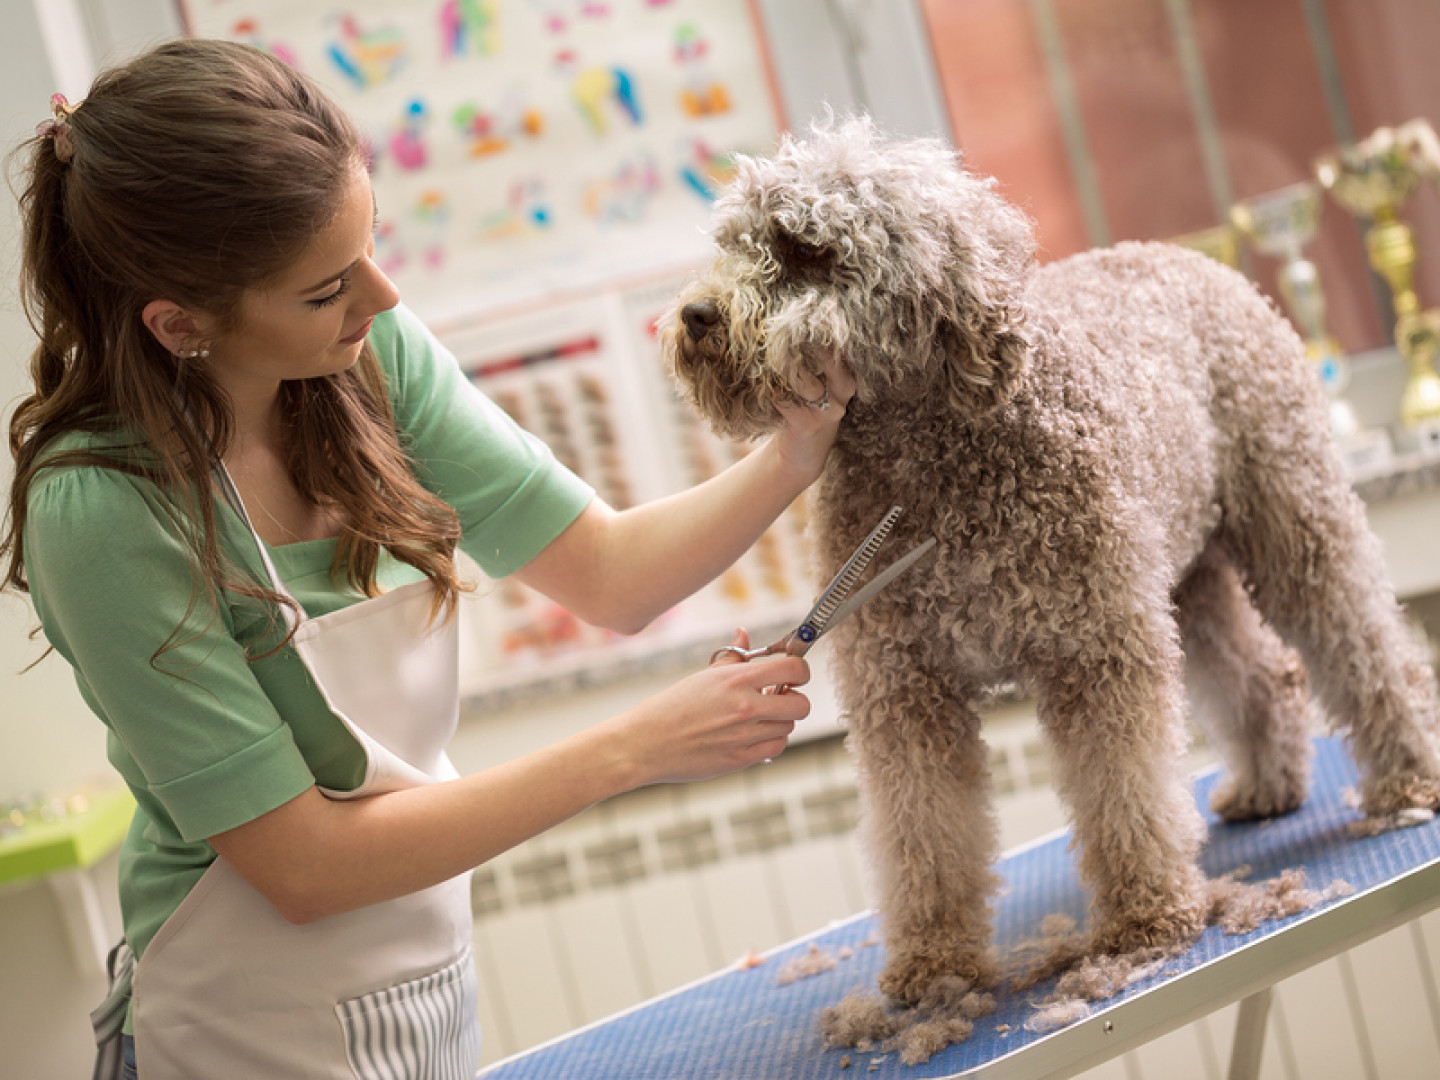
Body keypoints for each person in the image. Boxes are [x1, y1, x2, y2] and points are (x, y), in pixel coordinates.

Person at [3, 39, 852, 1080]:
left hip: (425, 987)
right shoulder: (101, 507)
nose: (383, 296)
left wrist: (797, 448)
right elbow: (304, 865)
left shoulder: (364, 362)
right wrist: (631, 749)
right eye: (326, 288)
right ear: (182, 325)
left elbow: (612, 574)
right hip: (236, 1019)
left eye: (371, 246)